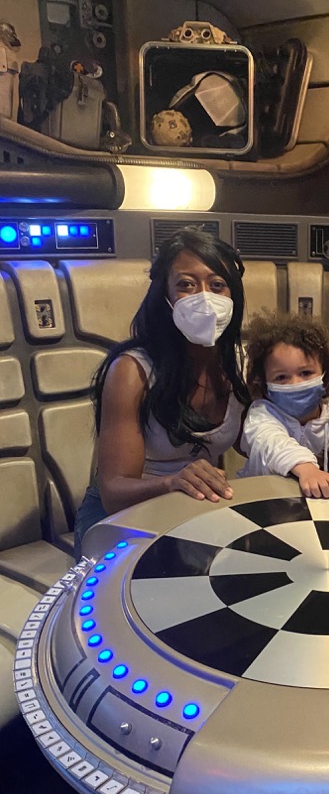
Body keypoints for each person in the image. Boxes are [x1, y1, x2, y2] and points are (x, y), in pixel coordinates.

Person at [74, 228, 250, 557]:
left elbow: (253, 440)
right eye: (186, 284)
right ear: (164, 295)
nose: (204, 297)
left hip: (195, 507)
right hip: (122, 513)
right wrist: (172, 482)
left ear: (233, 296)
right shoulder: (131, 370)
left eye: (217, 285)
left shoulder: (242, 365)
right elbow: (113, 492)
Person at [238, 310, 329, 498]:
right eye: (281, 377)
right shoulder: (261, 415)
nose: (295, 384)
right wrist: (306, 468)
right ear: (263, 383)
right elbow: (271, 442)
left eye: (306, 373)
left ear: (325, 374)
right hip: (260, 501)